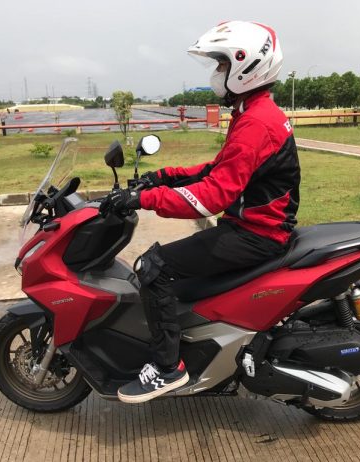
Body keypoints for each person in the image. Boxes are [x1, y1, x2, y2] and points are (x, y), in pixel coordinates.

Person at [102, 21, 301, 404]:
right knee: (174, 275)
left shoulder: (256, 123)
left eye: (222, 65)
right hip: (255, 227)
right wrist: (163, 177)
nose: (216, 73)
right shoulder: (255, 112)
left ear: (246, 66)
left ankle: (167, 369)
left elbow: (212, 196)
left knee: (152, 266)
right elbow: (219, 169)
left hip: (257, 234)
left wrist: (145, 200)